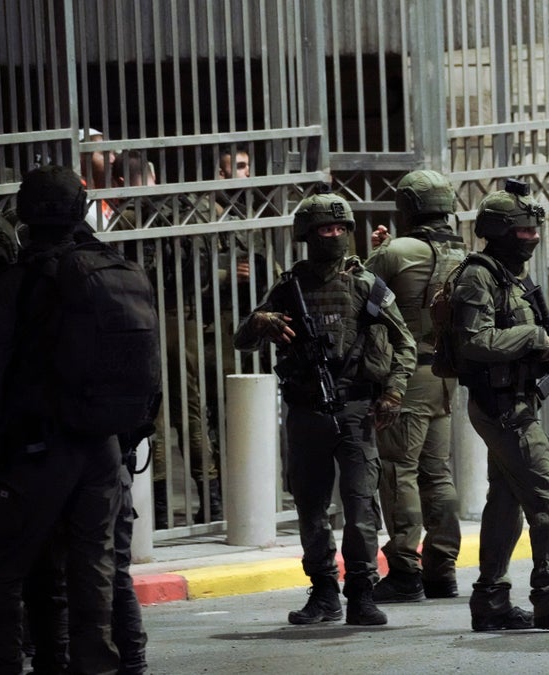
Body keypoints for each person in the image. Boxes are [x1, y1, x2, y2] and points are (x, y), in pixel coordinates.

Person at [234, 190, 416, 627]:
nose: (333, 235)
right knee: (312, 509)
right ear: (307, 235)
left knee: (360, 508)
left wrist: (392, 391)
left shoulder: (365, 283)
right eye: (323, 229)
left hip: (356, 410)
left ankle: (361, 593)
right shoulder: (288, 287)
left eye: (339, 228)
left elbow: (405, 343)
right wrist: (259, 322)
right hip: (306, 412)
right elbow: (242, 339)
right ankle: (324, 593)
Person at [445, 182, 549, 631]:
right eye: (523, 230)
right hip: (499, 405)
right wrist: (537, 337)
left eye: (536, 228)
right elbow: (474, 341)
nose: (532, 236)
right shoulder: (479, 276)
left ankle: (491, 599)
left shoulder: (515, 277)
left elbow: (535, 339)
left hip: (517, 399)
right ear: (498, 231)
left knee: (505, 500)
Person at [0, 165, 125, 673]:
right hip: (104, 444)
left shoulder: (17, 283)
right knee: (93, 566)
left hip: (39, 446)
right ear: (79, 209)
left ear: (24, 213)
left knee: (4, 567)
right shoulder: (111, 267)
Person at [365, 170, 465, 603]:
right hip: (443, 376)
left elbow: (358, 288)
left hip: (404, 377)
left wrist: (378, 250)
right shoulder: (461, 254)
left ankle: (405, 568)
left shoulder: (398, 251)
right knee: (436, 473)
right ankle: (442, 568)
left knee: (398, 470)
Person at [113, 150, 223, 527]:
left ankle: (159, 512)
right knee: (192, 411)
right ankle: (212, 505)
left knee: (153, 417)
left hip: (143, 322)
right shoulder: (189, 212)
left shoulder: (126, 219)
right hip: (187, 321)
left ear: (120, 183)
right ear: (154, 175)